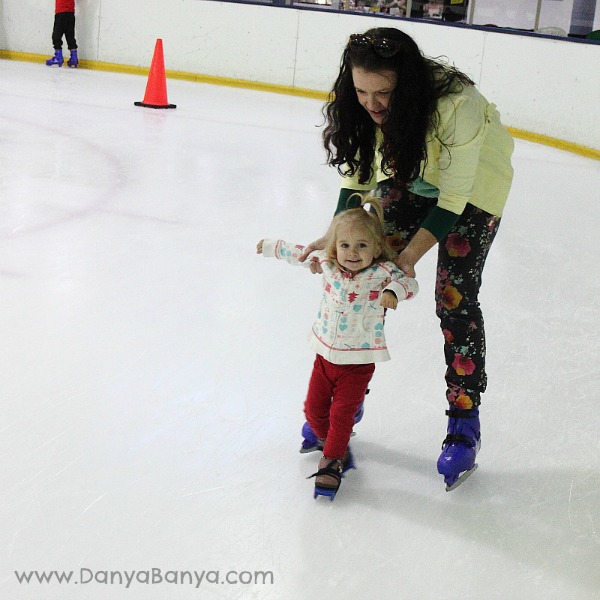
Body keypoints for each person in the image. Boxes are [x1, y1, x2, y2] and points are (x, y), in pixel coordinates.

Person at [299, 27, 514, 491]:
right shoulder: (363, 103)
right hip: (413, 176)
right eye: (361, 92)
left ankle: (463, 420)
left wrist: (407, 259)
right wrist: (337, 235)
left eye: (384, 94)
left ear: (408, 86)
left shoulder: (459, 105)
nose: (372, 104)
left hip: (472, 191)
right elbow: (359, 168)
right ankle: (344, 401)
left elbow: (453, 197)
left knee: (453, 301)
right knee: (361, 280)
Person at [257, 197, 418, 500]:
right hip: (324, 355)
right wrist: (272, 246)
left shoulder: (382, 273)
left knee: (341, 416)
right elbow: (300, 254)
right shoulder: (328, 264)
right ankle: (328, 439)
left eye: (361, 246)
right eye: (344, 245)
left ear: (376, 246)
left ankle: (332, 458)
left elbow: (410, 284)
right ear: (335, 246)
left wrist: (394, 292)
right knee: (314, 412)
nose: (352, 253)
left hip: (358, 362)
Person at [45, 0, 78, 68]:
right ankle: (74, 57)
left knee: (56, 36)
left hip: (61, 12)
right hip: (70, 12)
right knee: (70, 36)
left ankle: (58, 57)